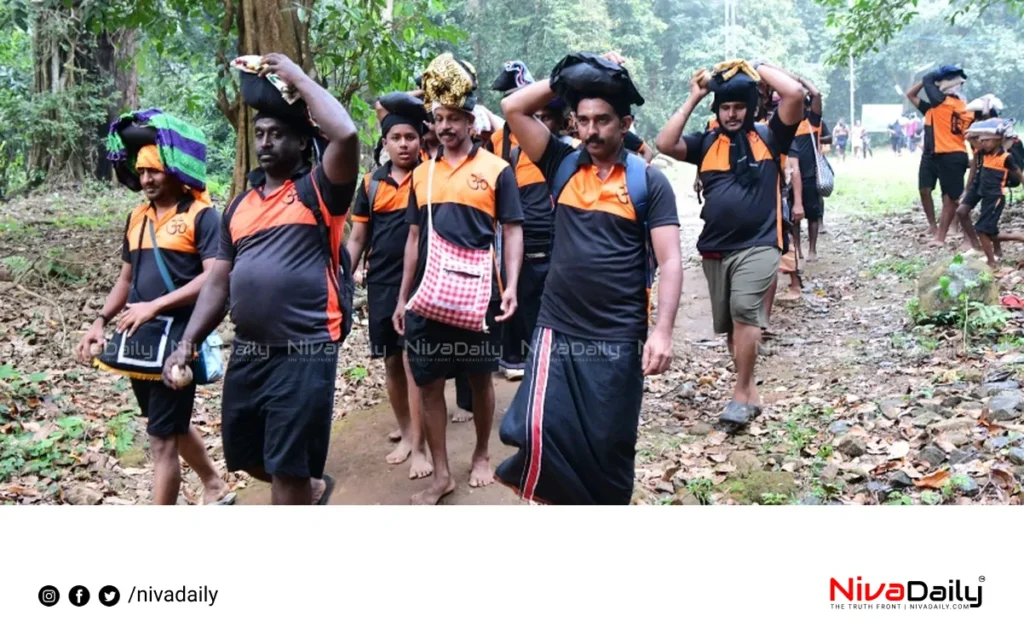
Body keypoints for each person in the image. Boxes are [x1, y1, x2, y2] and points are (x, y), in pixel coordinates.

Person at [162, 53, 359, 505]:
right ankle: (311, 488)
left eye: (278, 135)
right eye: (261, 134)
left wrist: (297, 76)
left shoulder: (319, 191)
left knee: (287, 466)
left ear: (301, 143)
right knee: (248, 456)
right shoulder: (238, 207)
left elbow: (345, 134)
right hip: (250, 351)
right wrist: (188, 340)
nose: (266, 142)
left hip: (305, 348)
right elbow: (218, 283)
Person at [495, 51, 681, 504]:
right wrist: (571, 76)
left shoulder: (648, 183)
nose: (592, 130)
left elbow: (671, 261)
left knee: (609, 440)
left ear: (625, 123)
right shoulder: (559, 162)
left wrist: (662, 332)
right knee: (538, 429)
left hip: (617, 334)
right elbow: (512, 108)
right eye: (583, 119)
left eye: (602, 120)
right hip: (557, 326)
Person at [78, 114, 233, 506]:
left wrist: (156, 306)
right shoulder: (137, 218)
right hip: (139, 338)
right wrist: (99, 321)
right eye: (141, 171)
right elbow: (126, 280)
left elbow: (214, 279)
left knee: (161, 440)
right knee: (167, 424)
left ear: (175, 171)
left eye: (155, 171)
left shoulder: (201, 216)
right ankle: (214, 484)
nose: (146, 180)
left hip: (181, 338)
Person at [394, 53, 524, 505]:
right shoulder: (421, 175)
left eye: (455, 118)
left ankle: (484, 454)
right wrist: (401, 297)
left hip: (477, 294)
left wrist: (509, 286)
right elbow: (412, 238)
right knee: (428, 382)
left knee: (479, 379)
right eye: (440, 118)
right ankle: (442, 474)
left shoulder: (496, 170)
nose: (446, 126)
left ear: (472, 122)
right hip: (428, 295)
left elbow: (511, 230)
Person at [656, 59, 803, 427]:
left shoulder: (771, 136)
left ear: (751, 108)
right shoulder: (705, 142)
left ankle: (738, 394)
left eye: (739, 106)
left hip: (760, 243)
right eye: (726, 107)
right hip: (715, 247)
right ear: (718, 110)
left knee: (744, 310)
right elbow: (664, 142)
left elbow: (795, 93)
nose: (733, 114)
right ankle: (750, 390)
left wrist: (757, 66)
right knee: (731, 330)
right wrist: (695, 97)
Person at [346, 93, 433, 480]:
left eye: (410, 137)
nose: (403, 144)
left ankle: (421, 444)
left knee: (416, 363)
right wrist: (344, 271)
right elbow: (358, 236)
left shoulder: (433, 174)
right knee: (392, 361)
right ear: (384, 142)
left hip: (423, 280)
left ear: (420, 141)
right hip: (383, 282)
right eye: (395, 137)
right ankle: (408, 429)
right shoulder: (371, 183)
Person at [907, 65, 974, 238]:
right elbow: (910, 95)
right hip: (932, 155)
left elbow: (929, 81)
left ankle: (965, 235)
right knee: (930, 191)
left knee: (952, 196)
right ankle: (937, 230)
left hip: (949, 154)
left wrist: (933, 77)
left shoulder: (948, 105)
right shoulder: (933, 109)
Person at [952, 119, 1023, 269]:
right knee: (963, 213)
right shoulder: (983, 152)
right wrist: (980, 130)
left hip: (994, 195)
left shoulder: (1005, 157)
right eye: (981, 140)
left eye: (987, 140)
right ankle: (981, 248)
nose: (982, 143)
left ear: (998, 141)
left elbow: (1018, 173)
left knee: (984, 230)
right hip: (981, 188)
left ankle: (993, 261)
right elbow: (969, 137)